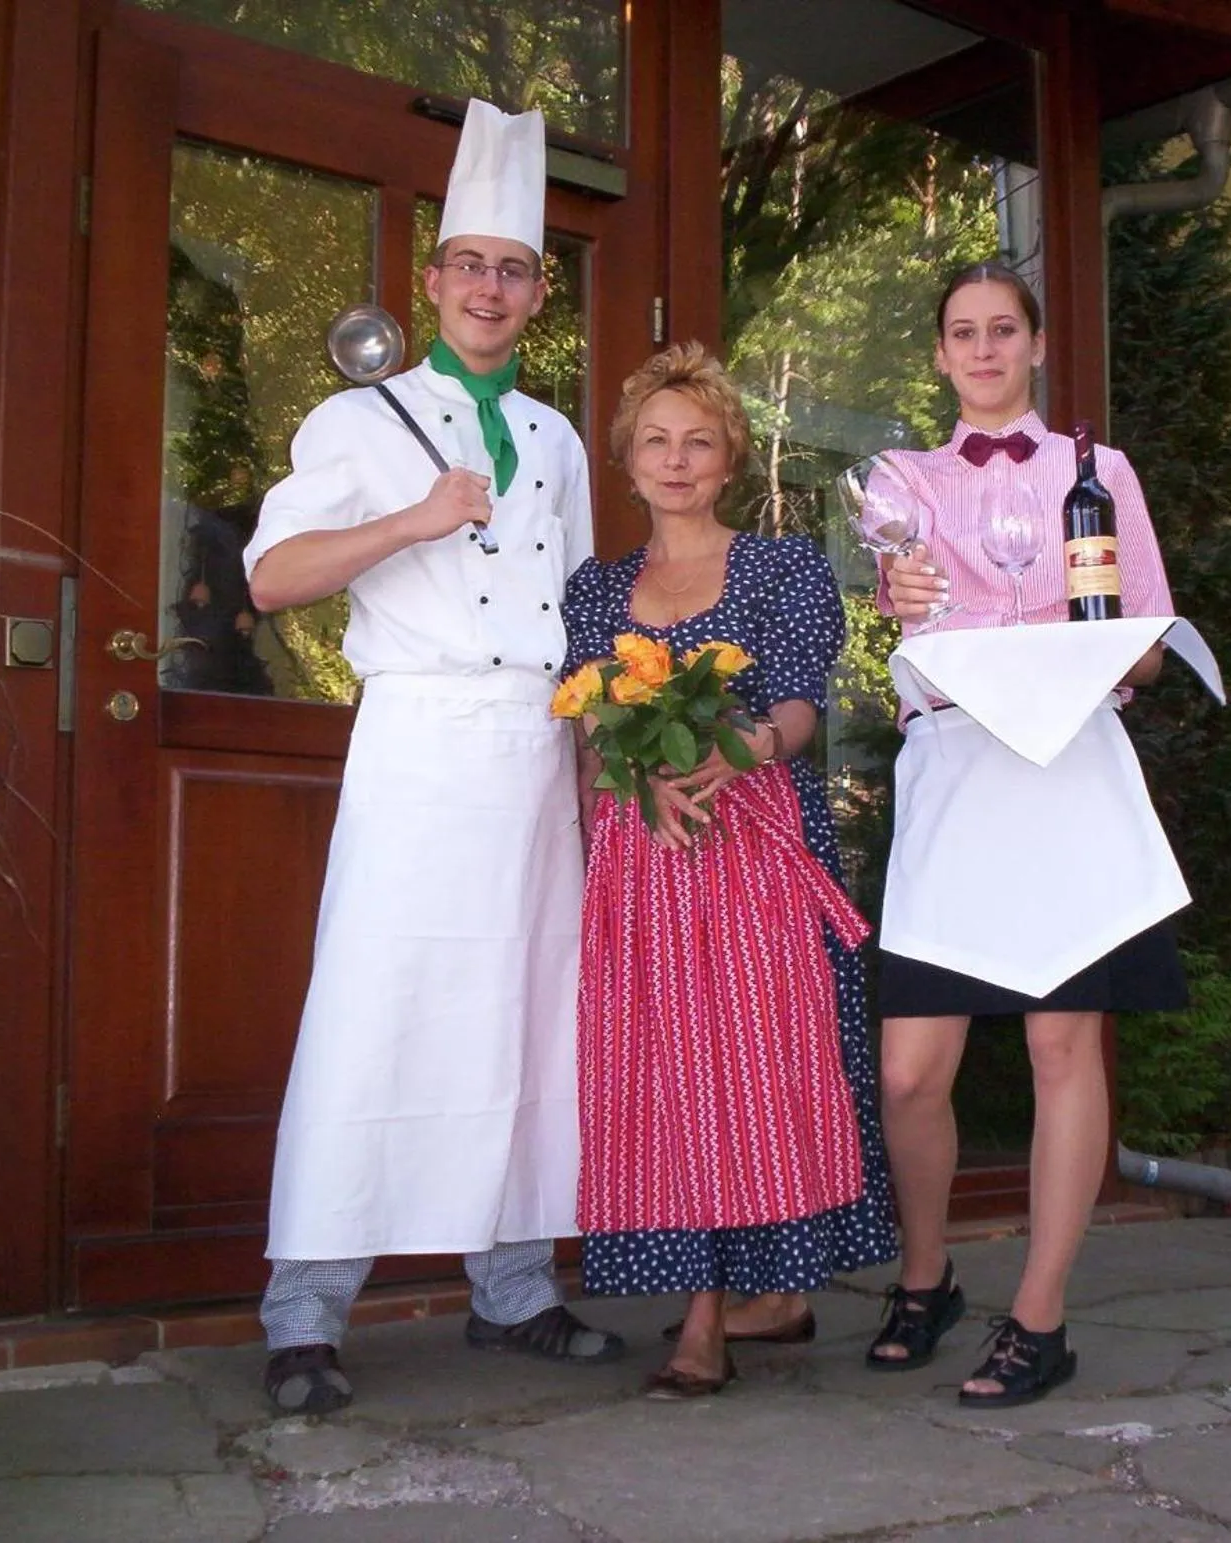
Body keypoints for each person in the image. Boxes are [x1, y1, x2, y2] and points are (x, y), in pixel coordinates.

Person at [242, 99, 622, 1416]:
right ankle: (304, 1311)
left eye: (514, 269)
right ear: (436, 278)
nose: (491, 287)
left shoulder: (563, 440)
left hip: (531, 749)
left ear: (535, 293)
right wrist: (413, 516)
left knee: (526, 1013)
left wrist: (584, 754)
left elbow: (578, 615)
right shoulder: (360, 421)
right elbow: (274, 573)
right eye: (471, 264)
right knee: (377, 1006)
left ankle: (513, 1285)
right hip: (413, 741)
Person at [867, 260, 1184, 1408]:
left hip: (1069, 775)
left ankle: (1040, 1315)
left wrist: (1086, 638)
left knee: (1064, 1049)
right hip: (955, 775)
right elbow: (900, 626)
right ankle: (926, 1272)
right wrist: (899, 599)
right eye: (964, 332)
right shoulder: (899, 481)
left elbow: (1144, 649)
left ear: (1037, 345)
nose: (985, 348)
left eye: (1005, 328)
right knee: (909, 1070)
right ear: (943, 355)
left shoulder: (1099, 475)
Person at [560, 343, 898, 1397]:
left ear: (728, 460)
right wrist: (628, 793)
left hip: (752, 849)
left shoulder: (781, 568)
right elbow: (586, 732)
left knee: (749, 1074)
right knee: (668, 1081)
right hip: (644, 859)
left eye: (697, 441)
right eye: (655, 441)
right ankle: (737, 1298)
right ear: (626, 460)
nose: (675, 459)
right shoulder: (597, 589)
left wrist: (733, 750)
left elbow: (800, 705)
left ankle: (719, 1318)